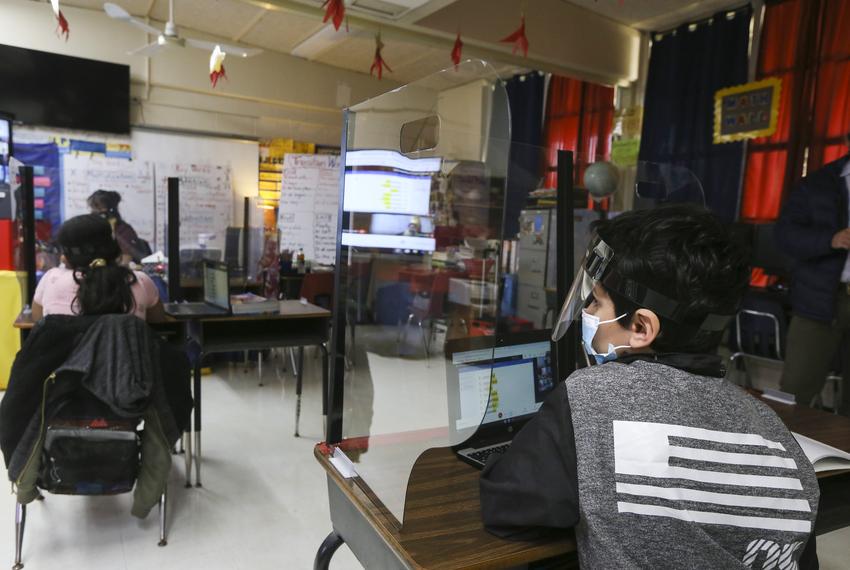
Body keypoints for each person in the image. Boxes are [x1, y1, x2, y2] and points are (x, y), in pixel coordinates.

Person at [479, 205, 819, 568]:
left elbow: (509, 506)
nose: (588, 312)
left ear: (641, 328)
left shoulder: (593, 398)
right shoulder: (775, 432)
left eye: (596, 301)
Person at [776, 130, 850, 414]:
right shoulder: (819, 184)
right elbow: (785, 236)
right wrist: (831, 239)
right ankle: (784, 451)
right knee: (797, 389)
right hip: (820, 299)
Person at [31, 214, 166, 322]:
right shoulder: (139, 280)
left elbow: (38, 322)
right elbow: (159, 321)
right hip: (124, 356)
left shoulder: (51, 279)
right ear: (113, 247)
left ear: (65, 257)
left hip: (66, 357)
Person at [88, 189, 152, 263]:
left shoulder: (123, 230)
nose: (92, 214)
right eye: (93, 209)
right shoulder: (89, 228)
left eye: (99, 210)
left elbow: (130, 257)